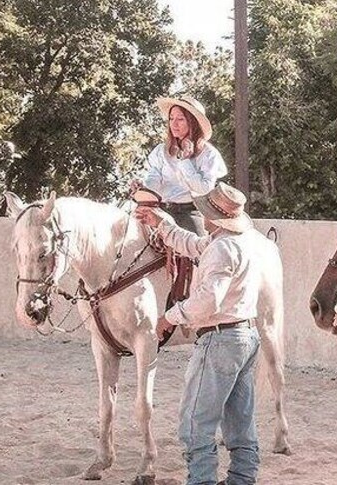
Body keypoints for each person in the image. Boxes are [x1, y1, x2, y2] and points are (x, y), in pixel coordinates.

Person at [135, 182, 265, 485]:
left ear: (213, 216)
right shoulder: (238, 240)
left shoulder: (221, 248)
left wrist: (170, 317)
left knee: (196, 425)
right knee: (240, 421)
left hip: (220, 338)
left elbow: (208, 300)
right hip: (246, 335)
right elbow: (193, 245)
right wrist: (163, 225)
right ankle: (242, 480)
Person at [134, 95, 227, 236]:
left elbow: (204, 189)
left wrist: (185, 162)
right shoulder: (161, 150)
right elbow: (154, 178)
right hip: (160, 211)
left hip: (190, 212)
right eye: (171, 118)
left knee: (198, 251)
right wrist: (143, 188)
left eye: (180, 119)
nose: (174, 124)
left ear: (193, 123)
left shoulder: (209, 154)